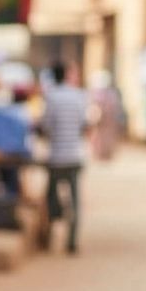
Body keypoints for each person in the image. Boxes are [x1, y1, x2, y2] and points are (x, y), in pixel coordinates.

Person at [38, 60, 89, 254]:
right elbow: (85, 125)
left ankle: (50, 235)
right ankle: (72, 241)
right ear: (66, 74)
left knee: (51, 197)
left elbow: (46, 126)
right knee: (75, 200)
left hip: (56, 157)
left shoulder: (50, 97)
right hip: (75, 156)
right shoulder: (78, 95)